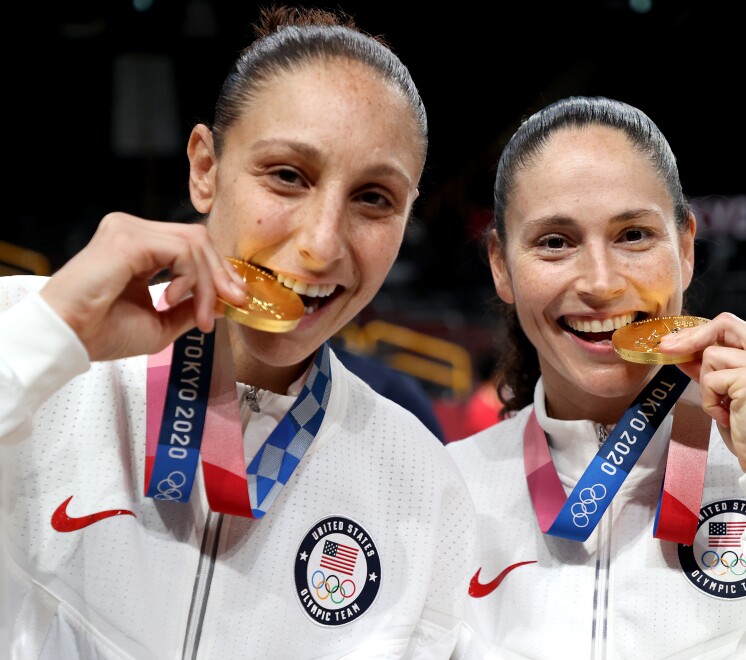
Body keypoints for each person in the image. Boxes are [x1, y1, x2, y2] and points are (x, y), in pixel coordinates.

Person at [0, 7, 476, 658]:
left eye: (374, 198)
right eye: (287, 175)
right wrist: (51, 342)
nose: (320, 244)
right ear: (205, 169)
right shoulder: (29, 329)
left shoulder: (421, 482)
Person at [446, 96, 746, 658]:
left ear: (685, 247)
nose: (600, 283)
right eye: (555, 241)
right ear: (502, 266)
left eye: (633, 235)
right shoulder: (452, 486)